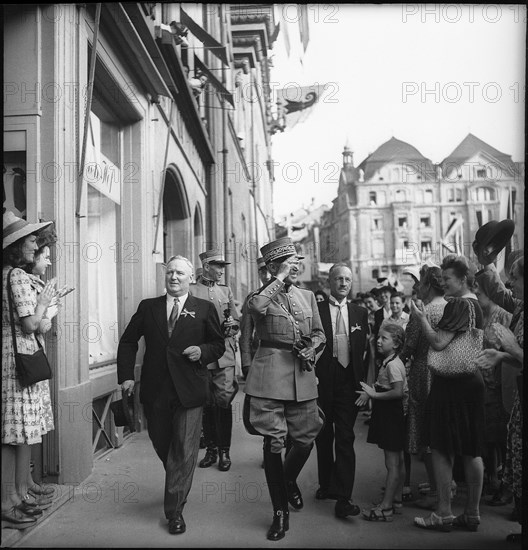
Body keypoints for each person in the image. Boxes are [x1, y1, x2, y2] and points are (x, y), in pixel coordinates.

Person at [117, 255, 225, 535]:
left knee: (184, 449)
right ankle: (178, 478)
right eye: (170, 273)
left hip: (190, 390)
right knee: (163, 443)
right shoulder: (148, 307)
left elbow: (217, 344)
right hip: (156, 390)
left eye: (180, 273)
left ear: (191, 278)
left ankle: (174, 511)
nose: (174, 277)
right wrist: (127, 376)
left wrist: (202, 352)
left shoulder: (204, 307)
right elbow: (128, 341)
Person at [243, 237, 326, 541]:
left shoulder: (307, 296)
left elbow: (319, 335)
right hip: (269, 376)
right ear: (273, 267)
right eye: (289, 263)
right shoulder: (260, 295)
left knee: (305, 439)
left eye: (296, 262)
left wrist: (312, 350)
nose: (295, 267)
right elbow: (256, 308)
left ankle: (287, 480)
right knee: (274, 443)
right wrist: (277, 278)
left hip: (301, 375)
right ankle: (280, 513)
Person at [412, 255, 485, 533]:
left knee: (442, 448)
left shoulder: (458, 304)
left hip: (449, 384)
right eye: (441, 280)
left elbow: (438, 342)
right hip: (472, 382)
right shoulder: (476, 304)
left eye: (447, 280)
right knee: (472, 449)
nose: (443, 285)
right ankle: (472, 513)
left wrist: (421, 318)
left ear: (463, 279)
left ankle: (443, 512)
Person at [2, 211, 56, 528]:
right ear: (18, 245)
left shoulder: (5, 272)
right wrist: (44, 302)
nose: (35, 244)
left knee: (12, 434)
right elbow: (31, 324)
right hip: (18, 361)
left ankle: (15, 498)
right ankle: (11, 501)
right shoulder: (18, 277)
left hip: (8, 358)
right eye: (32, 240)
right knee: (16, 433)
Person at [474, 255, 523, 543]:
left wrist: (510, 347)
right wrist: (501, 355)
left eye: (515, 276)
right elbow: (501, 293)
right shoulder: (520, 305)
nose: (510, 282)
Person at [314, 263, 368, 519]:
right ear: (329, 282)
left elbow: (364, 354)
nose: (344, 283)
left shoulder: (360, 313)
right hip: (323, 381)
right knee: (323, 435)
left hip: (348, 382)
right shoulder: (318, 309)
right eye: (339, 279)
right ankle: (326, 484)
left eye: (347, 279)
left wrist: (363, 386)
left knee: (345, 438)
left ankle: (344, 497)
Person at [400, 265, 447, 510]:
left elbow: (410, 345)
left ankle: (436, 491)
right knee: (439, 432)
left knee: (426, 434)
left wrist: (394, 361)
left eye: (420, 283)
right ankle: (443, 486)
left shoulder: (423, 311)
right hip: (444, 373)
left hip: (423, 372)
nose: (417, 287)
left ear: (428, 285)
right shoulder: (449, 306)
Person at [190, 250, 239, 472]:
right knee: (207, 403)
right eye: (218, 266)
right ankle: (210, 449)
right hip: (202, 356)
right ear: (207, 266)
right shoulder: (191, 290)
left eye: (223, 266)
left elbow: (235, 319)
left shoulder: (225, 291)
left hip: (225, 356)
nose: (222, 270)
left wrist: (233, 327)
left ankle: (224, 451)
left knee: (224, 402)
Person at [356, 323, 407, 522]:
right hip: (390, 413)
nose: (378, 341)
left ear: (395, 344)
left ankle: (386, 507)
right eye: (378, 337)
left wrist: (374, 394)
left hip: (391, 414)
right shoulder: (390, 360)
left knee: (392, 463)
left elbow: (397, 391)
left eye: (384, 338)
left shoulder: (393, 365)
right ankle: (396, 499)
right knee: (399, 460)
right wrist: (371, 393)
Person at [473, 282, 511, 498]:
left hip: (500, 384)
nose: (477, 292)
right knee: (487, 434)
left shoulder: (504, 316)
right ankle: (492, 478)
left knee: (503, 436)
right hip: (483, 384)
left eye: (481, 289)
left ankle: (506, 483)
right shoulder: (480, 315)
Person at [240, 256, 271, 380]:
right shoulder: (252, 298)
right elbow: (246, 334)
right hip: (259, 356)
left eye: (269, 271)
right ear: (259, 274)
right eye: (263, 272)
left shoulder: (287, 295)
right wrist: (246, 363)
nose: (267, 276)